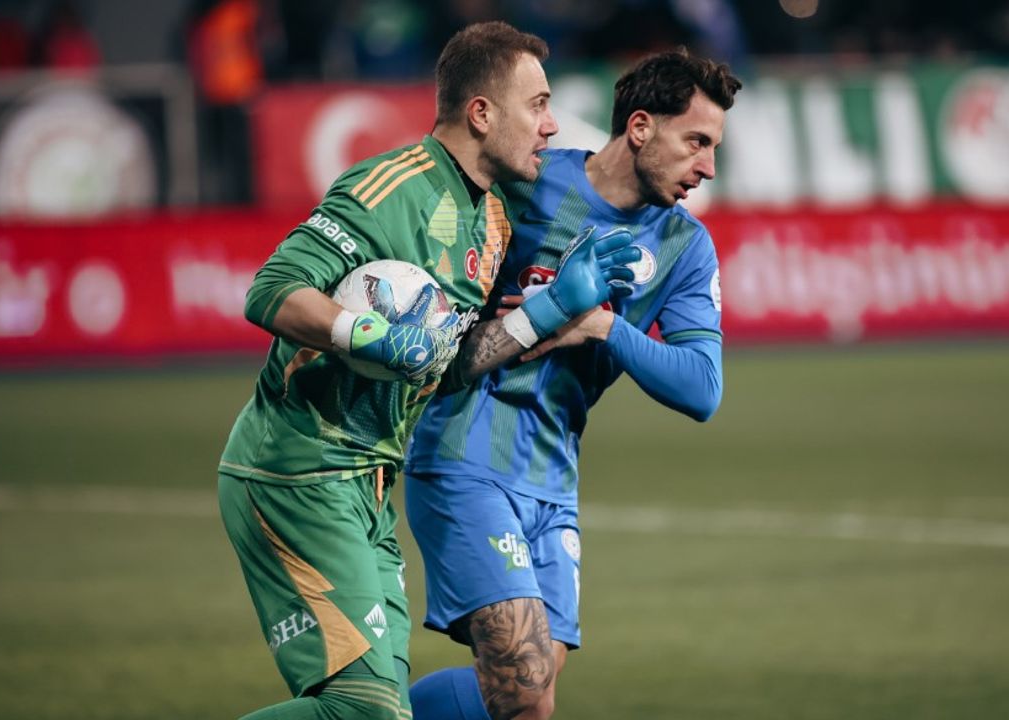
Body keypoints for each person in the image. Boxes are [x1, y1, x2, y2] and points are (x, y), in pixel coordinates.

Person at [216, 21, 639, 720]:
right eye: (537, 105)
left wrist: (549, 310)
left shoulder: (492, 219)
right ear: (482, 113)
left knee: (385, 710)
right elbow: (272, 290)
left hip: (370, 482)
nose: (551, 124)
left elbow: (449, 363)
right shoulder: (389, 189)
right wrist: (371, 333)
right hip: (298, 470)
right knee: (362, 709)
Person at [405, 48, 743, 720]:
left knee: (522, 698)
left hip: (553, 479)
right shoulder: (528, 183)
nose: (708, 166)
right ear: (640, 127)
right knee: (525, 678)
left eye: (713, 147)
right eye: (696, 142)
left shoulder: (685, 247)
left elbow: (702, 390)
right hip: (465, 454)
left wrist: (602, 326)